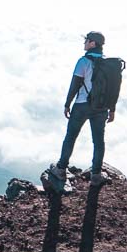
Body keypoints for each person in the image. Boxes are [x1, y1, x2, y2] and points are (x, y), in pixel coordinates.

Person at [49, 31, 115, 190]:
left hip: (82, 105)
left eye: (87, 40)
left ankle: (61, 169)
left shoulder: (84, 61)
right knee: (98, 141)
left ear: (93, 43)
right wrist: (112, 109)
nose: (84, 43)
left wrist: (67, 104)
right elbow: (114, 89)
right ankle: (96, 175)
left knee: (71, 137)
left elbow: (75, 84)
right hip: (101, 108)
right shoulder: (109, 64)